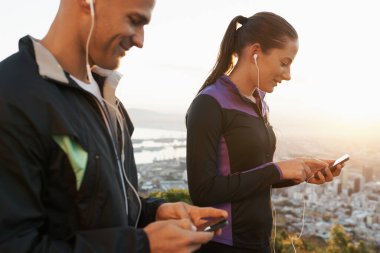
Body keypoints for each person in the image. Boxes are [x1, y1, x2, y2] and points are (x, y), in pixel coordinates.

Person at [0, 0, 228, 252]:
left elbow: (101, 207)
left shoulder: (108, 101)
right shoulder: (11, 96)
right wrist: (142, 246)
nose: (141, 41)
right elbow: (13, 244)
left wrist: (154, 214)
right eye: (134, 20)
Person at [186, 12, 345, 253]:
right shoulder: (209, 104)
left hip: (259, 242)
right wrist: (278, 169)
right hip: (223, 243)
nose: (288, 75)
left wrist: (298, 173)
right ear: (256, 52)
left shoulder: (260, 102)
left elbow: (253, 176)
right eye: (284, 62)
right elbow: (203, 191)